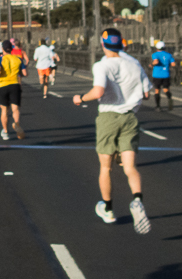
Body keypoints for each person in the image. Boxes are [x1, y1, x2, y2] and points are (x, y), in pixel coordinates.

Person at [73, 28, 152, 234]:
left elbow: (98, 91)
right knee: (129, 167)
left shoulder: (102, 65)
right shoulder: (134, 63)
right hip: (130, 117)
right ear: (122, 44)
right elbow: (147, 94)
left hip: (109, 117)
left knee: (105, 168)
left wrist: (80, 98)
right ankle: (137, 199)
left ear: (103, 44)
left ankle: (108, 209)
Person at [0, 39, 25, 140]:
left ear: (2, 49)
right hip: (15, 84)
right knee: (15, 109)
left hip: (3, 85)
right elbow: (25, 73)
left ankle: (5, 132)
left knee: (4, 110)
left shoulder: (0, 59)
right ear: (11, 49)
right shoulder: (18, 59)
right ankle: (17, 124)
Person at [151, 40, 174, 110]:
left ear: (157, 48)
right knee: (166, 89)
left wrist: (152, 64)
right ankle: (169, 98)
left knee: (157, 90)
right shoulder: (169, 55)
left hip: (157, 75)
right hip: (166, 74)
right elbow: (173, 64)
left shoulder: (155, 54)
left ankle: (158, 106)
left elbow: (155, 61)